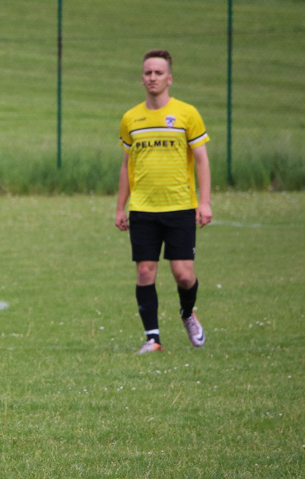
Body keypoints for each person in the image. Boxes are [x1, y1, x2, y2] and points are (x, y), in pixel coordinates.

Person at [115, 49, 212, 354]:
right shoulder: (131, 118)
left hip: (180, 206)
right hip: (143, 207)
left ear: (170, 78)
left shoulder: (187, 114)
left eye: (158, 73)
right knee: (145, 271)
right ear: (141, 78)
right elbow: (126, 165)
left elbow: (201, 160)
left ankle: (187, 313)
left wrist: (205, 202)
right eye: (148, 73)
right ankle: (153, 339)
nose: (152, 77)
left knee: (183, 274)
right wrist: (120, 206)